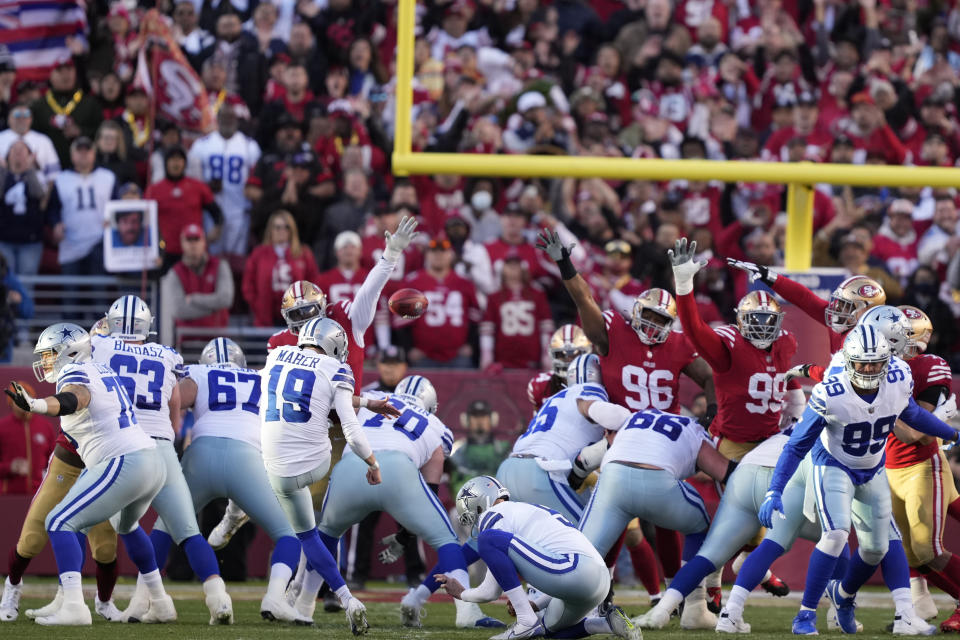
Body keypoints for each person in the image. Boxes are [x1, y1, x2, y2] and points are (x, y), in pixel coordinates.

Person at [758, 326, 960, 634]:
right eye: (861, 363)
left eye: (875, 363)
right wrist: (775, 489)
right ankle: (805, 615)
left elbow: (914, 415)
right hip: (834, 465)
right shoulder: (831, 393)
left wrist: (953, 433)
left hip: (873, 467)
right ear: (848, 361)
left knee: (876, 549)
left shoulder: (897, 379)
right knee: (837, 534)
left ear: (886, 362)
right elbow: (797, 445)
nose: (868, 369)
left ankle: (842, 594)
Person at [2, 324, 172, 626]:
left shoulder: (75, 373)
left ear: (70, 351)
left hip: (121, 462)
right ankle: (160, 602)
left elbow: (75, 398)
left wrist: (38, 405)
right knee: (128, 527)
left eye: (50, 355)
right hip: (150, 459)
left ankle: (75, 608)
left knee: (59, 521)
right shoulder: (103, 370)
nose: (45, 362)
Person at [90, 295, 234, 624]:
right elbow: (175, 407)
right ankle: (218, 597)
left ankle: (158, 598)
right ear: (146, 325)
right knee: (187, 530)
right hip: (162, 446)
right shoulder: (168, 355)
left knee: (124, 524)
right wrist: (169, 436)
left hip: (125, 445)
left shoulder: (100, 346)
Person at [158, 337, 302, 622]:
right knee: (287, 535)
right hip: (248, 460)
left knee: (166, 527)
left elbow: (173, 400)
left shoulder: (199, 373)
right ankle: (274, 598)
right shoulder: (263, 379)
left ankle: (147, 597)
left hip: (201, 455)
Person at [318, 374, 472, 629]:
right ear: (431, 405)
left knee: (322, 535)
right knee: (448, 543)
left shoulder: (374, 398)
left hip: (350, 467)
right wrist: (405, 535)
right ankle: (468, 611)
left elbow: (336, 411)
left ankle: (300, 602)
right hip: (399, 469)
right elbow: (429, 494)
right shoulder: (435, 424)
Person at [259, 317, 378, 633]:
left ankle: (327, 593)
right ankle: (343, 598)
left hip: (271, 463)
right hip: (314, 463)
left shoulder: (275, 357)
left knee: (305, 533)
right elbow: (351, 428)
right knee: (313, 530)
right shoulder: (336, 368)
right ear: (335, 345)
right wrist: (372, 462)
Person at [577, 398, 738, 630]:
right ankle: (694, 608)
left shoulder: (632, 418)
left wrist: (580, 404)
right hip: (658, 484)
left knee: (584, 552)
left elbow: (586, 407)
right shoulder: (694, 430)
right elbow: (723, 472)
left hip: (613, 480)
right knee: (700, 526)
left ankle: (553, 603)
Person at [436, 476, 639, 640]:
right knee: (548, 632)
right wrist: (537, 604)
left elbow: (491, 591)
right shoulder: (523, 513)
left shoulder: (496, 513)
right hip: (595, 580)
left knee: (487, 539)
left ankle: (525, 621)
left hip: (575, 570)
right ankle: (607, 623)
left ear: (479, 503)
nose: (476, 522)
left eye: (474, 514)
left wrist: (462, 593)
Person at [496, 354, 607, 524]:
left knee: (505, 539)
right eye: (561, 354)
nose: (567, 358)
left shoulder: (556, 397)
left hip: (508, 467)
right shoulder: (592, 394)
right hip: (544, 471)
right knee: (588, 538)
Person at [186, 103, 261, 262]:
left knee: (237, 257)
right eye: (224, 117)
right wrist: (206, 186)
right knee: (211, 256)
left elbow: (256, 178)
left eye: (231, 117)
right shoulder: (202, 144)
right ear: (217, 119)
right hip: (211, 209)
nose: (227, 121)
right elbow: (192, 179)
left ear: (237, 120)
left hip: (240, 209)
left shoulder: (249, 145)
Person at [404, 236, 482, 368]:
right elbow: (402, 322)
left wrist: (470, 345)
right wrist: (409, 348)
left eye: (443, 251)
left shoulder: (464, 283)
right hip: (423, 356)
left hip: (458, 356)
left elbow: (475, 318)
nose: (438, 255)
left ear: (451, 255)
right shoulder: (413, 282)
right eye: (434, 251)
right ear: (427, 255)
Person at [46, 136, 117, 276]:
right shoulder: (61, 179)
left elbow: (118, 205)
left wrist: (113, 221)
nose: (83, 154)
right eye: (79, 151)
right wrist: (55, 224)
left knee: (99, 292)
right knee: (70, 293)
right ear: (72, 155)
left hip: (100, 244)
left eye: (87, 151)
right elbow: (52, 208)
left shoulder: (108, 177)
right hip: (70, 244)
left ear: (94, 154)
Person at [144, 146, 222, 270]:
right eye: (172, 160)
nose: (176, 164)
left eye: (179, 160)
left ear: (185, 163)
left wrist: (216, 229)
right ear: (166, 163)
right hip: (166, 251)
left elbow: (216, 212)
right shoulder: (154, 190)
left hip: (193, 251)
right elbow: (143, 219)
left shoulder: (198, 187)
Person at [242, 210, 321, 327]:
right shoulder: (259, 253)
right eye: (277, 227)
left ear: (292, 230)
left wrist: (306, 308)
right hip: (265, 317)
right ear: (271, 230)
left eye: (286, 227)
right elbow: (248, 285)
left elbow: (313, 283)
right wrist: (258, 305)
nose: (281, 231)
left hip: (298, 317)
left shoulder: (303, 253)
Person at [479, 255, 554, 370]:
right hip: (503, 362)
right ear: (502, 268)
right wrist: (487, 356)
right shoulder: (494, 297)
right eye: (509, 265)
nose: (513, 269)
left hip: (531, 361)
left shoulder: (537, 295)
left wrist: (546, 356)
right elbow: (487, 330)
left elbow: (546, 327)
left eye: (516, 265)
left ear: (523, 268)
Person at [29, 58, 102, 168]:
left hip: (83, 168)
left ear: (75, 73)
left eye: (69, 70)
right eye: (60, 71)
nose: (65, 75)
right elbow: (31, 135)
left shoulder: (90, 103)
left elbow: (101, 131)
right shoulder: (38, 106)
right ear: (51, 76)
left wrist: (81, 131)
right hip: (47, 167)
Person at [161, 224, 234, 330]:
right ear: (182, 243)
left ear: (204, 241)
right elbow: (178, 310)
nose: (193, 244)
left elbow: (225, 299)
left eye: (196, 239)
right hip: (186, 340)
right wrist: (214, 309)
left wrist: (194, 299)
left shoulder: (220, 266)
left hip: (217, 339)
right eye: (189, 240)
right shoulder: (175, 272)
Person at [0, 140, 48, 276]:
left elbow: (39, 194)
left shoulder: (37, 175)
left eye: (22, 151)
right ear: (8, 155)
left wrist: (30, 169)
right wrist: (3, 171)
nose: (18, 155)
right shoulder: (3, 175)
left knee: (27, 283)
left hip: (30, 241)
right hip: (4, 239)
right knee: (5, 281)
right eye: (14, 151)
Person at [0, 381, 55, 495]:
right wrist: (10, 467)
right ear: (11, 402)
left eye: (27, 397)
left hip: (39, 495)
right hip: (8, 497)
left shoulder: (45, 426)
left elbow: (53, 461)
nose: (23, 402)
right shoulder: (2, 427)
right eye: (18, 398)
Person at [449, 399, 511, 496]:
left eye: (484, 416)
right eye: (475, 416)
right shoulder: (457, 450)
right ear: (466, 420)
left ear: (493, 419)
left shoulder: (504, 449)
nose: (479, 421)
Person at [526, 324, 592, 413]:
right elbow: (538, 424)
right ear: (553, 355)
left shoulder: (598, 381)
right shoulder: (541, 386)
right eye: (562, 355)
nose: (569, 360)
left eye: (574, 355)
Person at [0, 105, 60, 184]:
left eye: (26, 114)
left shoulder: (43, 140)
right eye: (17, 114)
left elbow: (54, 175)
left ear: (31, 119)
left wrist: (46, 196)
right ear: (8, 119)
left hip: (38, 192)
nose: (22, 118)